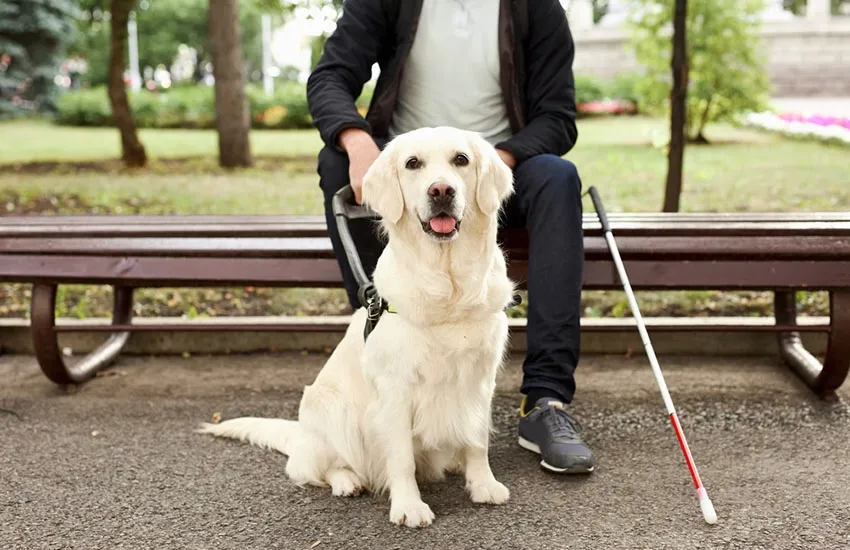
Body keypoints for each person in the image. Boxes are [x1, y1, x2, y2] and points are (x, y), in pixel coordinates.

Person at [306, 0, 595, 474]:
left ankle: (545, 401)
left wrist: (492, 161)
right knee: (336, 160)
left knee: (559, 178)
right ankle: (382, 357)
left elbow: (557, 116)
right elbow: (330, 77)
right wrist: (356, 140)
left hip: (497, 168)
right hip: (409, 173)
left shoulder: (536, 6)